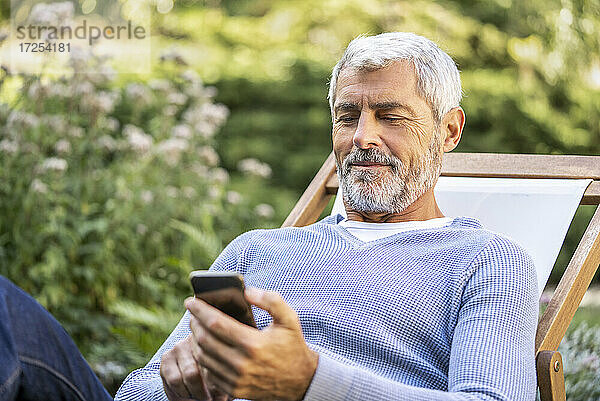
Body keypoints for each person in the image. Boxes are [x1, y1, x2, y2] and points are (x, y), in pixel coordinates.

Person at [0, 32, 538, 401]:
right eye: (348, 116)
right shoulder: (260, 250)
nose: (362, 138)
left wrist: (310, 380)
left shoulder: (488, 262)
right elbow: (136, 392)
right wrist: (178, 382)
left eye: (390, 117)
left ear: (449, 130)